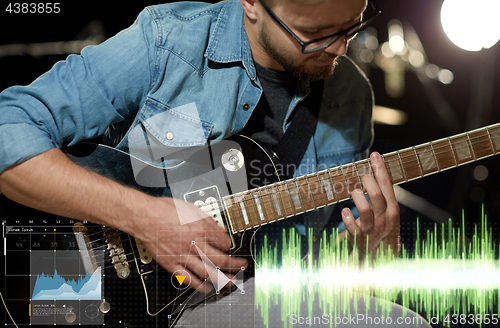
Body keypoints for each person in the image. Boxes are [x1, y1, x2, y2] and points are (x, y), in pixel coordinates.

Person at [0, 0, 421, 326]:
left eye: (352, 25)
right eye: (314, 33)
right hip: (90, 285)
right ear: (252, 4)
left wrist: (364, 262)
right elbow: (8, 129)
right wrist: (144, 216)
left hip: (240, 300)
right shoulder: (168, 42)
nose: (339, 49)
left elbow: (319, 282)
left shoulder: (351, 96)